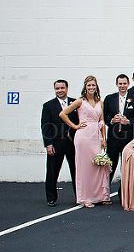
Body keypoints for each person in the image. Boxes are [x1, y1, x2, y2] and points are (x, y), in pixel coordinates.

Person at [59, 76, 110, 208]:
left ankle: (100, 196)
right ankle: (86, 197)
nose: (91, 88)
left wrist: (104, 138)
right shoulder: (79, 101)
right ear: (85, 87)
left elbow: (102, 121)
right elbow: (62, 114)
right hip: (83, 136)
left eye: (93, 85)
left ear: (96, 87)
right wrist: (74, 126)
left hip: (96, 135)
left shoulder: (100, 102)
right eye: (89, 85)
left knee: (98, 166)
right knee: (85, 167)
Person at [41, 79, 78, 207]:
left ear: (67, 88)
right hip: (56, 143)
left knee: (76, 170)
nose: (60, 90)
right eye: (57, 88)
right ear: (54, 89)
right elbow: (45, 126)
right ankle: (51, 198)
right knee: (52, 171)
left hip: (73, 143)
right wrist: (48, 144)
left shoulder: (75, 103)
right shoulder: (48, 105)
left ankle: (79, 196)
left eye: (62, 88)